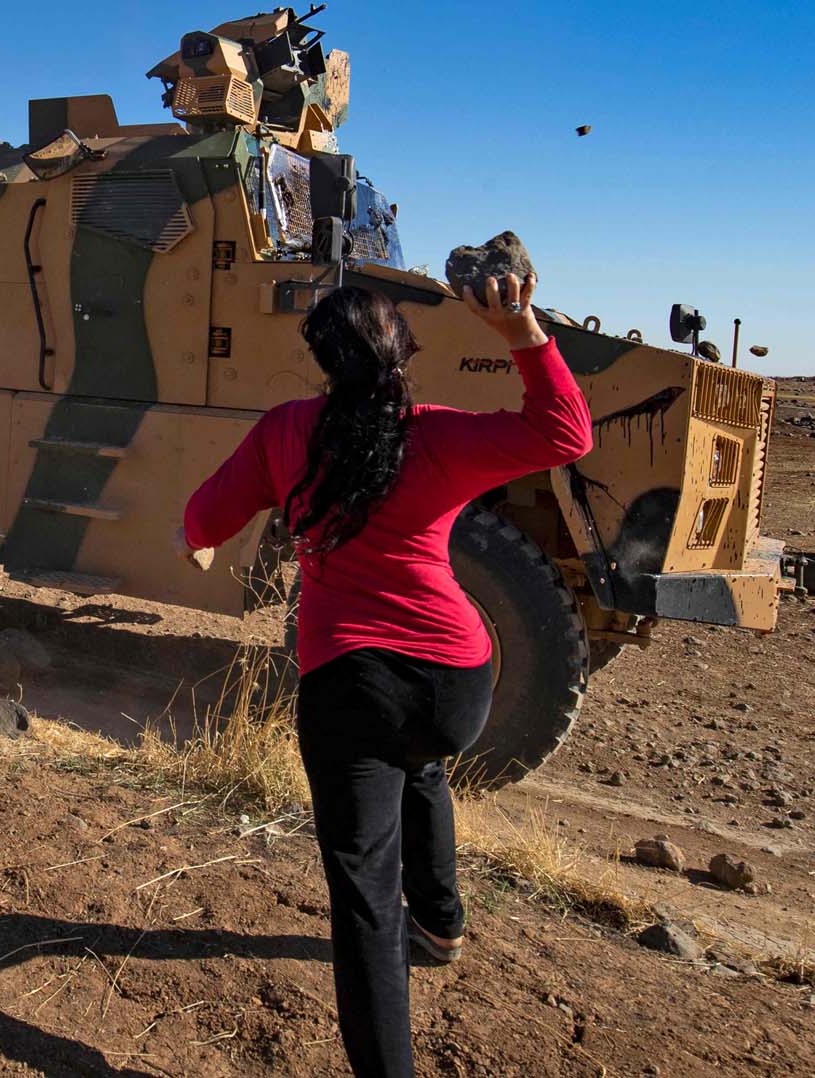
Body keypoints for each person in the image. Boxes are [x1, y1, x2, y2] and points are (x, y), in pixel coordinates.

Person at [180, 272, 591, 1077]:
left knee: (365, 893)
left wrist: (195, 540)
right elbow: (565, 432)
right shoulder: (435, 435)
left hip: (350, 684)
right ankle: (439, 923)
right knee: (422, 762)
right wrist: (521, 333)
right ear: (402, 350)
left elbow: (207, 513)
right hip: (458, 686)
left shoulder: (287, 431)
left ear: (320, 357)